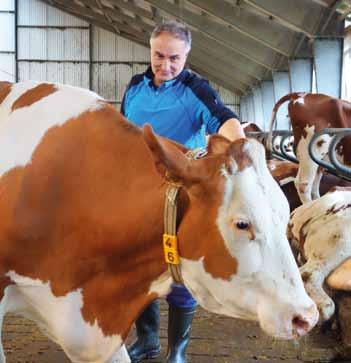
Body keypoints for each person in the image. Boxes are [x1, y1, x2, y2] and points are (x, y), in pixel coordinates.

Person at [121, 20, 244, 363]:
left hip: (177, 197)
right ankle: (147, 341)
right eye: (159, 56)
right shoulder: (135, 86)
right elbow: (122, 132)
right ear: (150, 51)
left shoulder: (196, 89)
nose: (166, 65)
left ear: (187, 55)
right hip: (135, 193)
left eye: (174, 58)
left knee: (178, 274)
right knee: (139, 269)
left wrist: (243, 152)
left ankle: (177, 351)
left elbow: (224, 119)